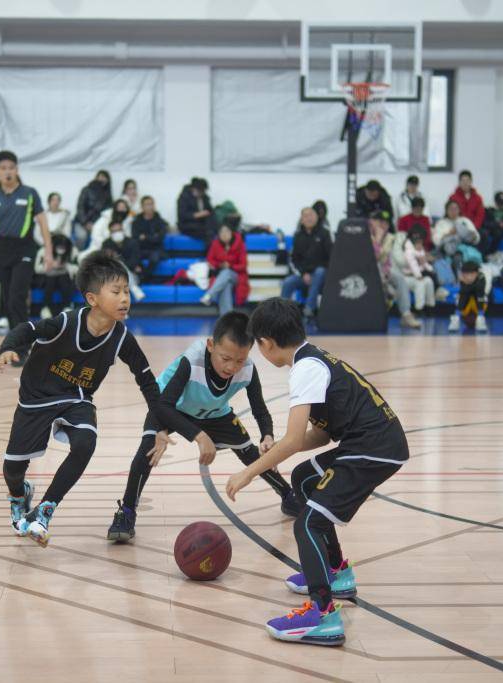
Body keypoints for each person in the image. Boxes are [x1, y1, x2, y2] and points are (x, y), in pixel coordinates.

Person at [226, 297, 408, 646]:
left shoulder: (306, 369)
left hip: (374, 449)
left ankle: (323, 616)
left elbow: (294, 440)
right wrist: (277, 449)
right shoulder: (312, 359)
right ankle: (336, 572)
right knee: (304, 478)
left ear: (266, 343)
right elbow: (321, 434)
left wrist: (249, 472)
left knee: (307, 524)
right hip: (373, 444)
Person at [0, 253, 164, 547]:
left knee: (86, 441)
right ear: (92, 298)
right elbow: (27, 330)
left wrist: (161, 423)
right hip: (36, 398)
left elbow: (147, 381)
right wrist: (7, 348)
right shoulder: (64, 323)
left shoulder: (122, 337)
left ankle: (45, 510)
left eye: (126, 291)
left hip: (77, 398)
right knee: (12, 470)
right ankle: (19, 494)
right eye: (116, 291)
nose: (125, 298)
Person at [108, 312, 302, 541]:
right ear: (211, 345)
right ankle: (126, 512)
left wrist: (267, 436)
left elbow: (259, 409)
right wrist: (199, 436)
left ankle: (288, 496)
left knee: (250, 452)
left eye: (239, 360)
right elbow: (163, 406)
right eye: (225, 358)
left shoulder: (248, 369)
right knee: (148, 450)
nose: (231, 367)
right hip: (169, 408)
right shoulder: (191, 361)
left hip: (214, 412)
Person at [0, 150, 54, 330]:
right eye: (3, 168)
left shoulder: (30, 193)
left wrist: (49, 251)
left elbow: (43, 223)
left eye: (11, 168)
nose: (8, 171)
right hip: (2, 250)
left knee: (17, 296)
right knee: (7, 299)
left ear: (17, 170)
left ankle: (24, 337)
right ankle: (16, 337)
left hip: (24, 248)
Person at [370, 212, 419, 329]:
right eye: (380, 222)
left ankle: (406, 315)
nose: (383, 225)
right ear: (372, 222)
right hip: (366, 270)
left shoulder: (390, 238)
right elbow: (374, 257)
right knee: (379, 272)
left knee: (399, 278)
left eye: (386, 223)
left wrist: (386, 272)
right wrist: (377, 239)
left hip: (383, 270)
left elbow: (385, 260)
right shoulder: (364, 235)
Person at [281, 207, 332, 318]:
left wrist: (314, 273)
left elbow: (332, 258)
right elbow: (294, 260)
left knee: (319, 272)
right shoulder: (297, 236)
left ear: (317, 217)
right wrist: (303, 274)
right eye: (306, 216)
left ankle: (309, 309)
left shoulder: (325, 233)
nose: (309, 218)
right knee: (288, 282)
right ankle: (282, 313)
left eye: (311, 215)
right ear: (302, 219)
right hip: (304, 275)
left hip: (322, 276)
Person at [200, 224, 249, 316]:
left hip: (237, 276)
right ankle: (227, 317)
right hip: (221, 276)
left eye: (227, 231)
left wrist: (230, 266)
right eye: (222, 232)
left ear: (232, 233)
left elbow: (243, 265)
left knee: (227, 273)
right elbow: (210, 260)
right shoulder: (215, 244)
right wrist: (219, 265)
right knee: (226, 285)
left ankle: (209, 295)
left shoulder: (240, 244)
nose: (224, 234)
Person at [100, 220, 145, 300]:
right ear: (110, 233)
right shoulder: (106, 244)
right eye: (114, 231)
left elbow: (135, 261)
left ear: (123, 230)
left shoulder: (132, 242)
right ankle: (133, 287)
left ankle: (132, 285)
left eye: (119, 230)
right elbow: (104, 263)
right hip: (112, 276)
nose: (117, 233)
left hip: (132, 274)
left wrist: (120, 261)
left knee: (118, 263)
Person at [400, 226, 437, 314]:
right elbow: (413, 264)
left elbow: (424, 262)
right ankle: (418, 309)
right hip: (406, 277)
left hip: (417, 275)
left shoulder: (419, 247)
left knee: (429, 281)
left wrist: (430, 269)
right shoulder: (408, 250)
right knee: (420, 284)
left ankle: (430, 306)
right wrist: (418, 276)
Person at [39, 228, 76, 316]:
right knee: (50, 281)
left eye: (63, 247)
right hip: (48, 277)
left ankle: (67, 306)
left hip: (65, 277)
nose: (61, 249)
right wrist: (49, 266)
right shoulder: (43, 251)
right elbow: (37, 268)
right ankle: (46, 308)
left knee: (64, 280)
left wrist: (66, 266)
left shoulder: (72, 251)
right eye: (59, 247)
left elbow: (77, 267)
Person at [131, 196, 168, 284]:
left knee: (154, 258)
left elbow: (159, 238)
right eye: (147, 204)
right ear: (142, 207)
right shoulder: (136, 221)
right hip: (141, 248)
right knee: (132, 256)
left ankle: (144, 278)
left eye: (151, 204)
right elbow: (135, 237)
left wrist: (145, 237)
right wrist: (152, 237)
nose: (150, 206)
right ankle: (141, 277)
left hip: (156, 249)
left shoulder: (160, 221)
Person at [72, 170, 113, 248]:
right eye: (100, 176)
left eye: (104, 177)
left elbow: (107, 212)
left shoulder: (108, 194)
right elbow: (80, 207)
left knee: (104, 237)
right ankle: (78, 254)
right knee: (82, 236)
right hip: (82, 221)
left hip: (98, 223)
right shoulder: (86, 189)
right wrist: (85, 223)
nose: (102, 179)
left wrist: (96, 225)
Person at [449, 261, 488, 333]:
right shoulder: (462, 278)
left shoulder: (481, 277)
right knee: (462, 295)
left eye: (471, 274)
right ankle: (456, 318)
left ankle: (480, 318)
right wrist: (466, 283)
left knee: (481, 295)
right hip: (465, 306)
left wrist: (468, 283)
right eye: (465, 274)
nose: (468, 277)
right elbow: (464, 291)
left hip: (478, 305)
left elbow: (479, 289)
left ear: (476, 273)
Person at [177, 177, 217, 243]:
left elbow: (210, 210)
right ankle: (209, 247)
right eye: (200, 191)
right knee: (205, 231)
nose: (202, 193)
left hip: (202, 223)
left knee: (213, 227)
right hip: (187, 224)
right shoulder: (184, 198)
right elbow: (182, 215)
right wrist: (197, 215)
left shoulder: (204, 197)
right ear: (193, 189)